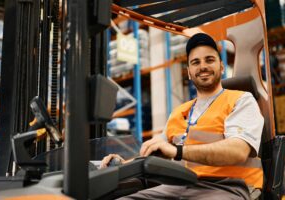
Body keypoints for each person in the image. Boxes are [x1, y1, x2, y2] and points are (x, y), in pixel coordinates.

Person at [101, 33, 264, 200]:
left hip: (229, 187)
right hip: (181, 184)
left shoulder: (241, 100)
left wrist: (177, 151)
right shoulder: (179, 112)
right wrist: (123, 163)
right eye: (196, 62)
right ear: (188, 72)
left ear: (221, 67)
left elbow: (238, 151)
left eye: (209, 60)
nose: (203, 66)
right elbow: (155, 150)